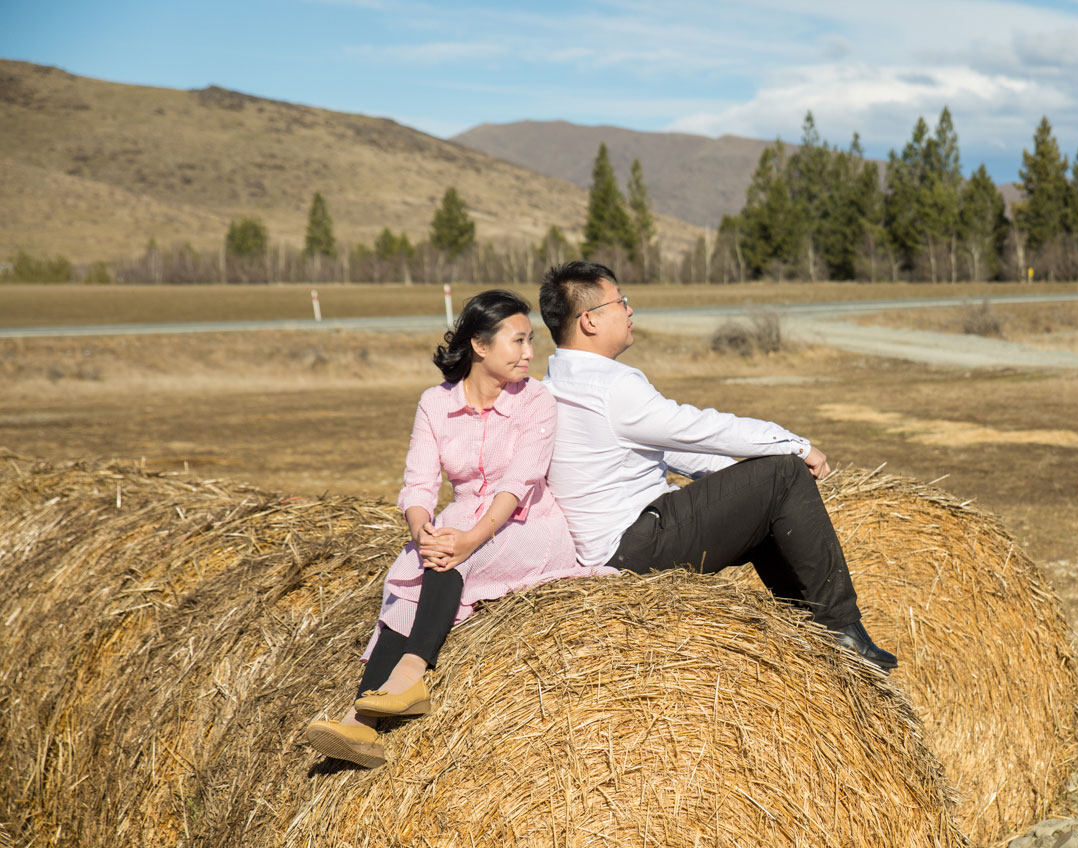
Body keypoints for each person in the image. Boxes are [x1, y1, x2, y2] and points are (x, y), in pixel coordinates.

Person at [537, 260, 897, 672]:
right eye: (621, 301)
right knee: (784, 473)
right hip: (635, 545)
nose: (630, 310)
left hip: (615, 548)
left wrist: (738, 483)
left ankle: (807, 634)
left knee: (770, 496)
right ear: (589, 321)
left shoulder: (555, 386)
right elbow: (698, 428)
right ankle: (840, 631)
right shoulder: (611, 386)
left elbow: (670, 449)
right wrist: (796, 446)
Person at [304, 289, 602, 767]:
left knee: (454, 557)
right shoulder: (434, 404)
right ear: (480, 346)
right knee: (410, 571)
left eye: (531, 341)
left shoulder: (537, 401)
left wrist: (467, 541)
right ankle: (361, 725)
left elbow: (518, 484)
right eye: (519, 341)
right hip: (462, 521)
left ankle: (410, 676)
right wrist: (422, 530)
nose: (530, 353)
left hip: (532, 526)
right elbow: (419, 485)